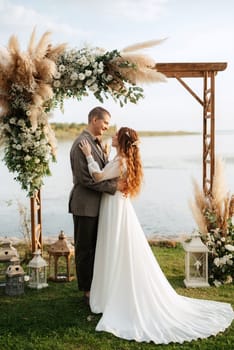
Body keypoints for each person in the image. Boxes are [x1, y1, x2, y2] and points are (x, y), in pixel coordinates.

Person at [79, 126, 234, 345]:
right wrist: (104, 154)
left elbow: (98, 176)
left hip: (115, 208)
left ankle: (112, 295)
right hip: (117, 207)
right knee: (115, 247)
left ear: (121, 141)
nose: (112, 135)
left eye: (116, 134)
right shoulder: (121, 159)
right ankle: (108, 293)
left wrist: (88, 156)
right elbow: (110, 173)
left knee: (114, 247)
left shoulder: (122, 161)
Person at [69, 106, 119, 304]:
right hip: (85, 205)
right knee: (84, 249)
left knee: (96, 248)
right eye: (105, 122)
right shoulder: (81, 143)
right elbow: (85, 179)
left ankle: (95, 286)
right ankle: (87, 291)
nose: (107, 127)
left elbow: (100, 171)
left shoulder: (96, 143)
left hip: (96, 205)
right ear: (94, 120)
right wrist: (113, 187)